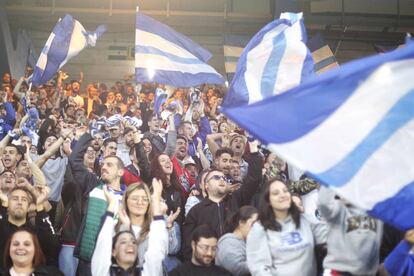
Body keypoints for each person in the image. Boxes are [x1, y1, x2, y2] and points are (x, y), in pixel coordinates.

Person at [182, 141, 262, 260]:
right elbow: (188, 246)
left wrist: (254, 151)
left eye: (224, 178)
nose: (222, 180)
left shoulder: (236, 200)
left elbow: (254, 179)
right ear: (206, 186)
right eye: (216, 177)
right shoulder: (196, 211)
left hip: (235, 262)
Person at [246, 176, 327, 276]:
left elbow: (329, 237)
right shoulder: (259, 229)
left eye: (285, 191)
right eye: (276, 193)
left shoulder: (305, 221)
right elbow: (259, 268)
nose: (283, 195)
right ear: (268, 201)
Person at [91, 179, 168, 276]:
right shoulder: (115, 229)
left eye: (145, 199)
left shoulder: (155, 230)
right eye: (135, 198)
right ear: (126, 201)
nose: (140, 202)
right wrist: (125, 228)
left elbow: (158, 256)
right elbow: (102, 257)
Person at [317, 186, 383, 275]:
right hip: (338, 272)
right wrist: (331, 179)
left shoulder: (376, 212)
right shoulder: (339, 210)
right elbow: (324, 203)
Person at [215, 206, 258, 276]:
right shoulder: (228, 243)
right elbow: (238, 268)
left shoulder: (247, 243)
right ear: (241, 223)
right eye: (253, 224)